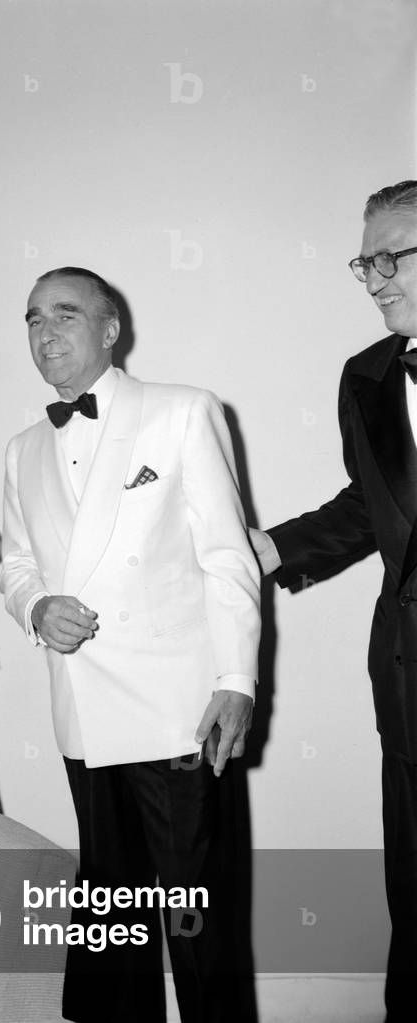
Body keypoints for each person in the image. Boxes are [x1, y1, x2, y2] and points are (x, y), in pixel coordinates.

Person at [0, 267, 261, 1023]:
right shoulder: (22, 449)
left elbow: (226, 557)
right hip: (85, 714)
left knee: (196, 920)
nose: (45, 333)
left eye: (66, 315)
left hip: (177, 714)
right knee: (114, 924)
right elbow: (18, 565)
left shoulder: (181, 412)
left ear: (109, 330)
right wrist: (37, 604)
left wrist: (237, 678)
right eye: (33, 318)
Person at [250, 179, 417, 1023]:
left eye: (391, 257)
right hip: (408, 674)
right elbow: (373, 504)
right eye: (366, 262)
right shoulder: (367, 376)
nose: (375, 278)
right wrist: (271, 547)